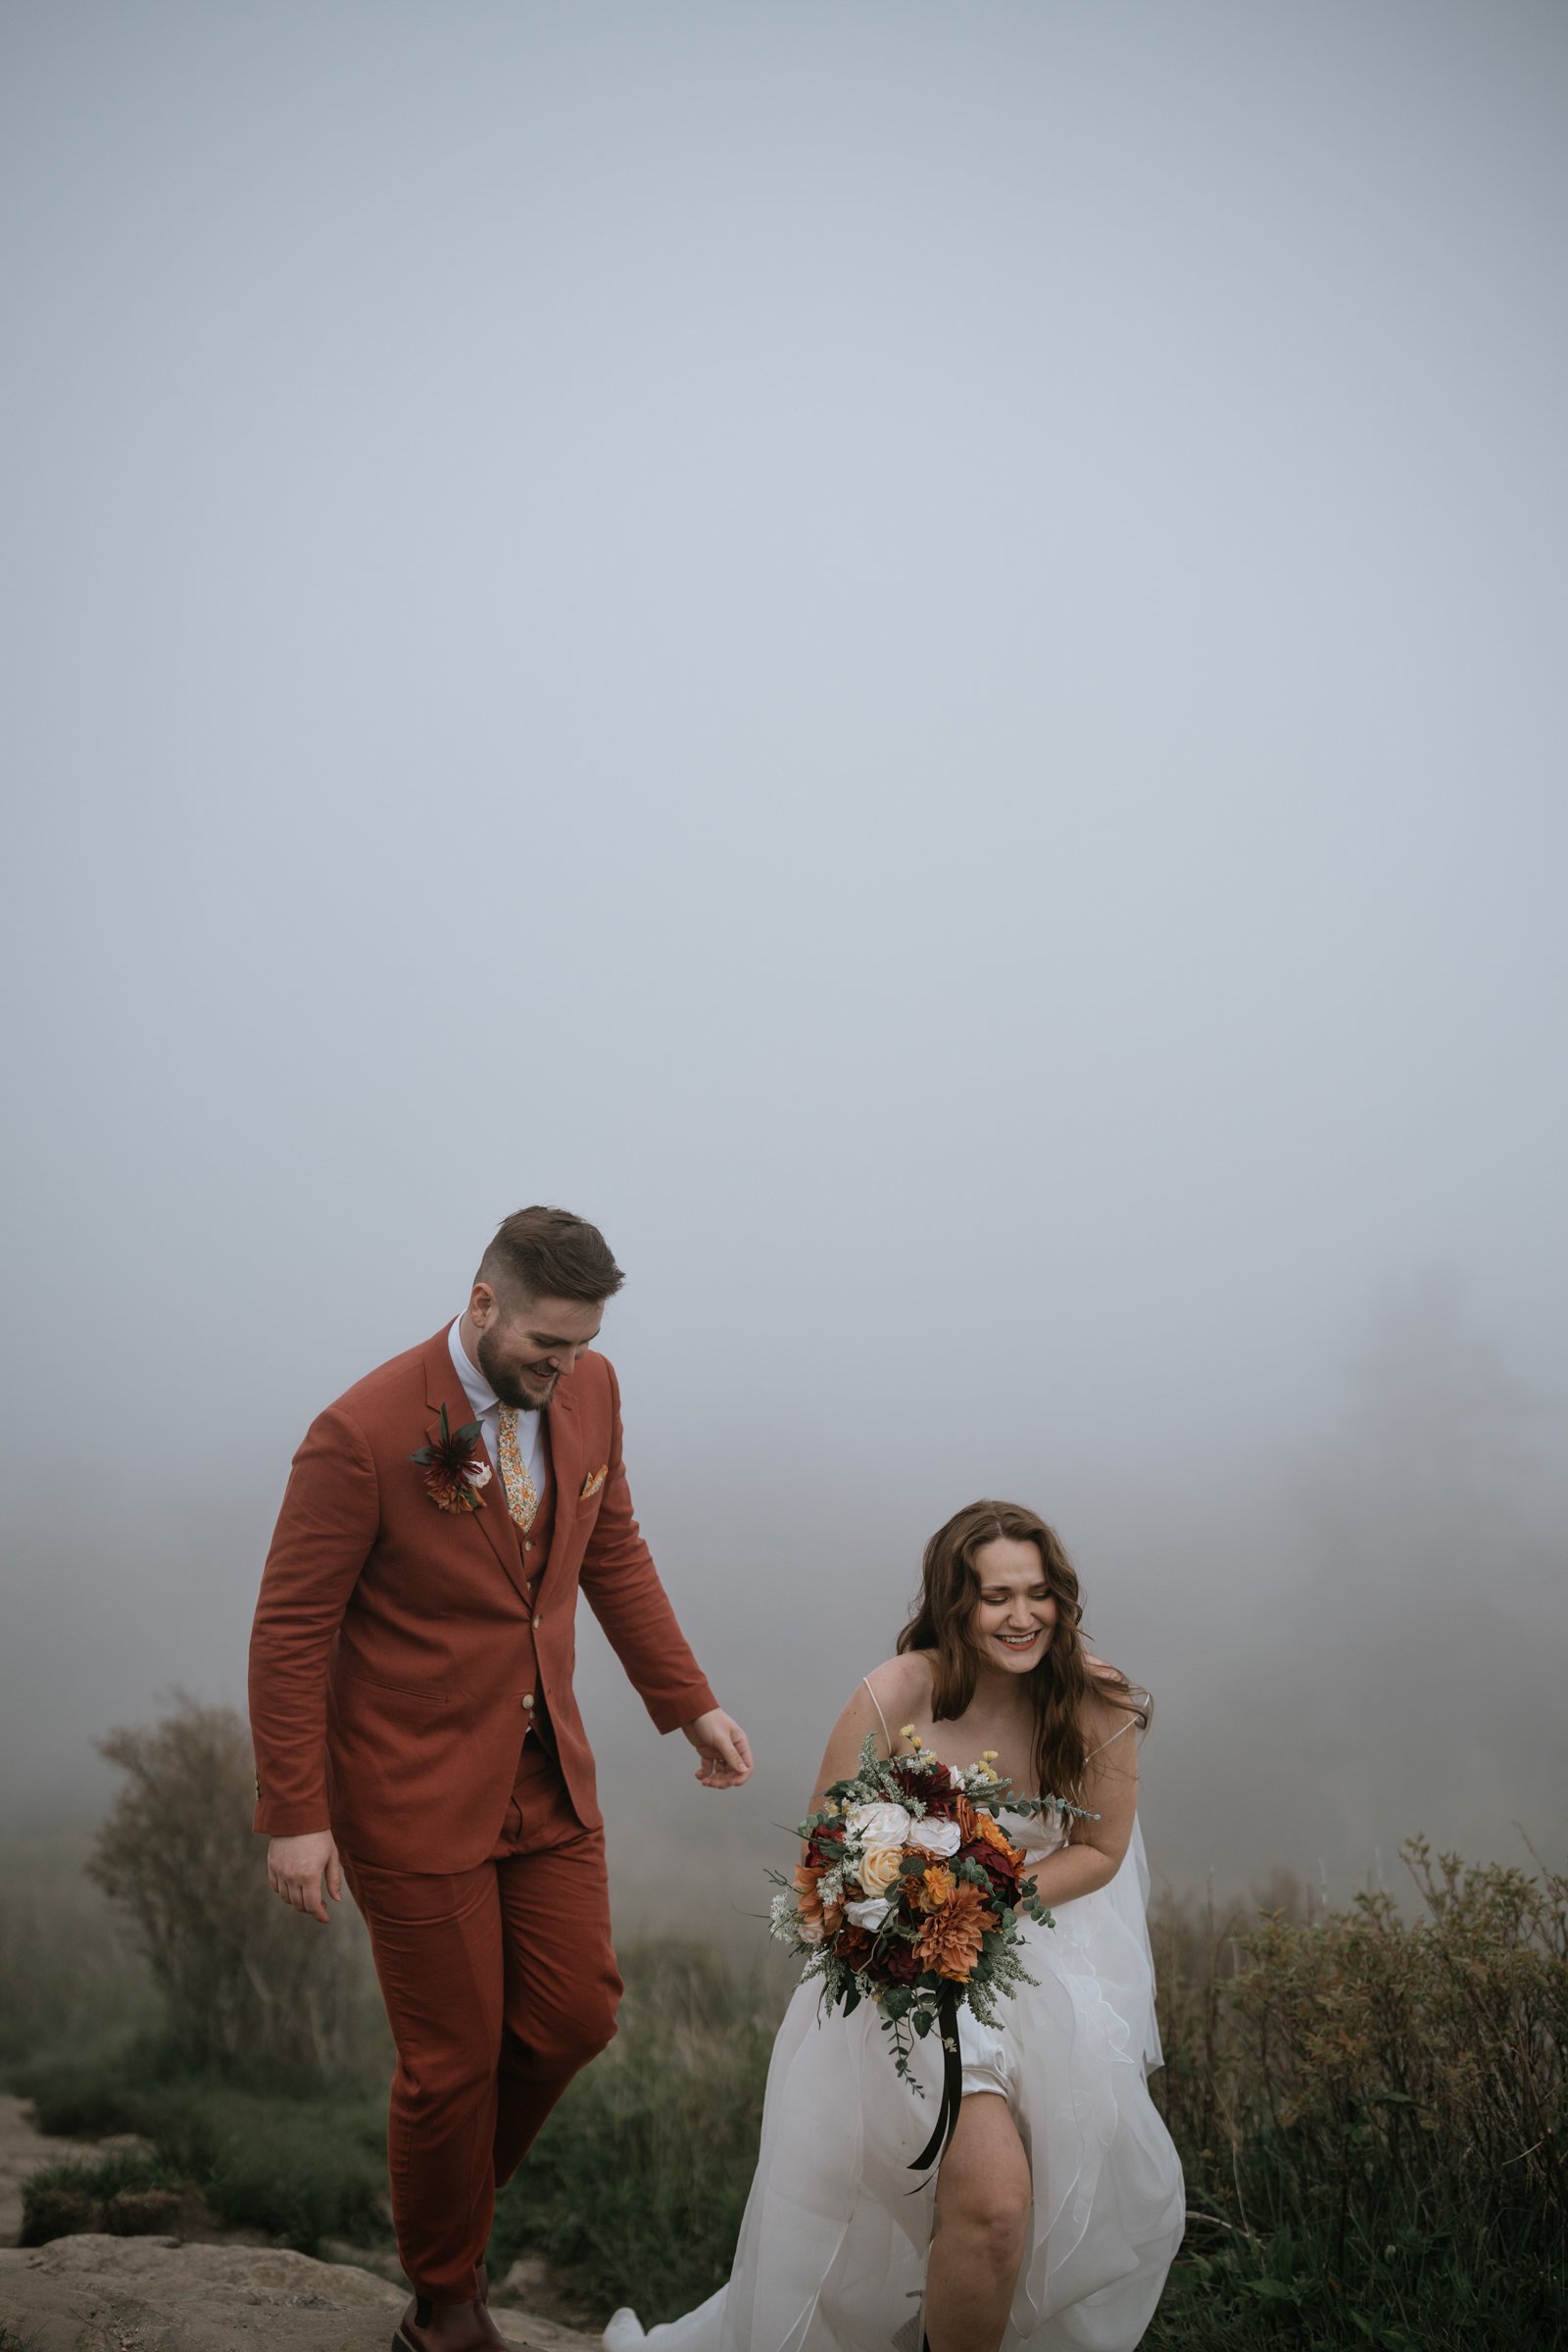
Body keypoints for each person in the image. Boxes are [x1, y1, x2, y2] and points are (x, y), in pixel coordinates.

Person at [248, 1205, 753, 2352]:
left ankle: (445, 2202)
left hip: (548, 1779)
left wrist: (689, 1704)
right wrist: (295, 1816)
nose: (564, 1370)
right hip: (406, 1791)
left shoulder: (595, 1390)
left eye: (580, 1348)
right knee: (450, 2062)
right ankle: (445, 2299)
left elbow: (611, 1544)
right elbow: (289, 1634)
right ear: (483, 1306)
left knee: (577, 2016)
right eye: (545, 1348)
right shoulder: (359, 1432)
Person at [604, 1499, 1184, 2352]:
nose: (1022, 1617)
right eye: (995, 1597)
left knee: (1041, 2210)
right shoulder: (897, 1691)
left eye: (1038, 1593)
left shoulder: (1097, 1700)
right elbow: (826, 1845)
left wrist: (987, 1896)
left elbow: (1098, 1849)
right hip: (903, 1971)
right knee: (991, 2208)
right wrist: (909, 1907)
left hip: (1045, 1957)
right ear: (955, 1604)